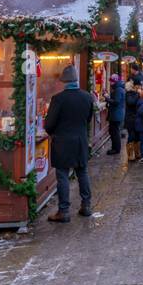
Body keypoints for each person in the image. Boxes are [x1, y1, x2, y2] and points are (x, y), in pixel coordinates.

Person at [44, 64, 95, 223]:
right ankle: (86, 206)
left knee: (63, 176)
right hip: (80, 140)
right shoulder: (87, 97)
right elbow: (88, 119)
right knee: (82, 172)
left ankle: (64, 211)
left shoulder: (58, 99)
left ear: (64, 81)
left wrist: (53, 132)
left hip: (62, 142)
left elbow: (49, 124)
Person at [105, 73, 126, 157]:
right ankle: (115, 148)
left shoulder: (118, 90)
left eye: (112, 81)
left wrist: (107, 98)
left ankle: (116, 149)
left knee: (115, 132)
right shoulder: (119, 89)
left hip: (116, 114)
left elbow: (116, 102)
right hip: (117, 114)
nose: (110, 83)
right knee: (113, 131)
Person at [124, 83, 143, 163]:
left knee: (137, 136)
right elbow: (131, 102)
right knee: (131, 136)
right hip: (130, 119)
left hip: (137, 119)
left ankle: (137, 152)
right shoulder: (129, 94)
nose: (139, 87)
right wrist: (137, 95)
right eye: (138, 86)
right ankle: (131, 154)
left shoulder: (139, 94)